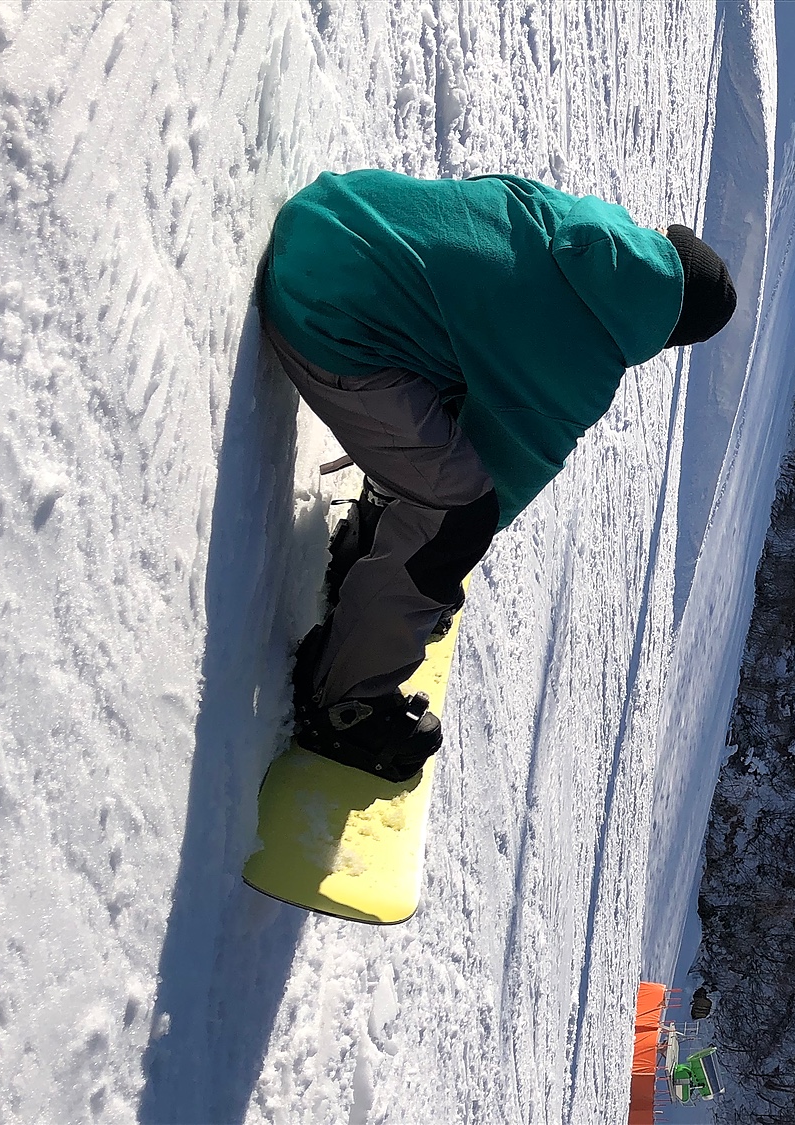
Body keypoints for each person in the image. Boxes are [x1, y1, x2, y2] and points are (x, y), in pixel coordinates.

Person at [257, 169, 737, 781]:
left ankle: (373, 546)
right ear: (668, 337)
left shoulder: (560, 218)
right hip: (319, 315)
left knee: (447, 398)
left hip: (324, 217)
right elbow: (494, 487)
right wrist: (431, 582)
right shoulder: (581, 360)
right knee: (455, 511)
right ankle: (343, 707)